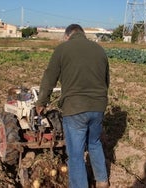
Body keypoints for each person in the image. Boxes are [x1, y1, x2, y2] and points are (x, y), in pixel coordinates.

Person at [36, 24, 110, 188]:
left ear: (67, 35)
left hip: (75, 108)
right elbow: (106, 81)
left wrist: (41, 102)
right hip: (98, 106)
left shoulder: (62, 49)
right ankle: (102, 180)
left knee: (75, 153)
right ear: (83, 34)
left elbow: (49, 78)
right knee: (94, 142)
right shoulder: (99, 50)